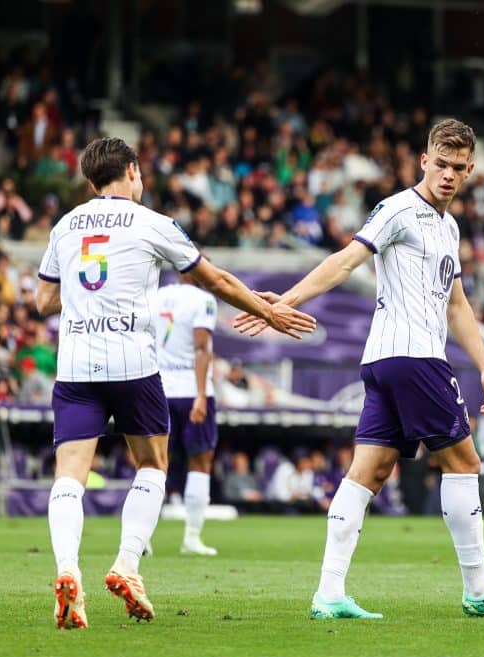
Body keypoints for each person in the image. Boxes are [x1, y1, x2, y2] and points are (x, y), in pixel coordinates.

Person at [234, 119, 484, 619]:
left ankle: (329, 593)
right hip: (413, 358)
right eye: (439, 164)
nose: (447, 175)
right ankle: (479, 587)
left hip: (385, 362)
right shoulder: (398, 208)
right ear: (424, 161)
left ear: (469, 172)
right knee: (464, 463)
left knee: (368, 473)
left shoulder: (449, 226)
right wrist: (283, 301)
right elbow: (345, 261)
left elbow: (457, 304)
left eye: (457, 168)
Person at [35, 137, 315, 630]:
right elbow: (217, 280)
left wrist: (84, 300)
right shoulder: (154, 224)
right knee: (153, 463)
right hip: (135, 366)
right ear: (134, 171)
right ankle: (126, 564)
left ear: (91, 180)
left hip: (76, 365)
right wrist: (267, 310)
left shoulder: (65, 225)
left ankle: (66, 568)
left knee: (70, 474)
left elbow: (42, 302)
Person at [154, 273, 221, 555]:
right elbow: (202, 347)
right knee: (201, 461)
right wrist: (202, 395)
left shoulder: (157, 295)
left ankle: (141, 538)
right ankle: (192, 538)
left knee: (151, 463)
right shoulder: (204, 300)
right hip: (191, 390)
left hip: (157, 388)